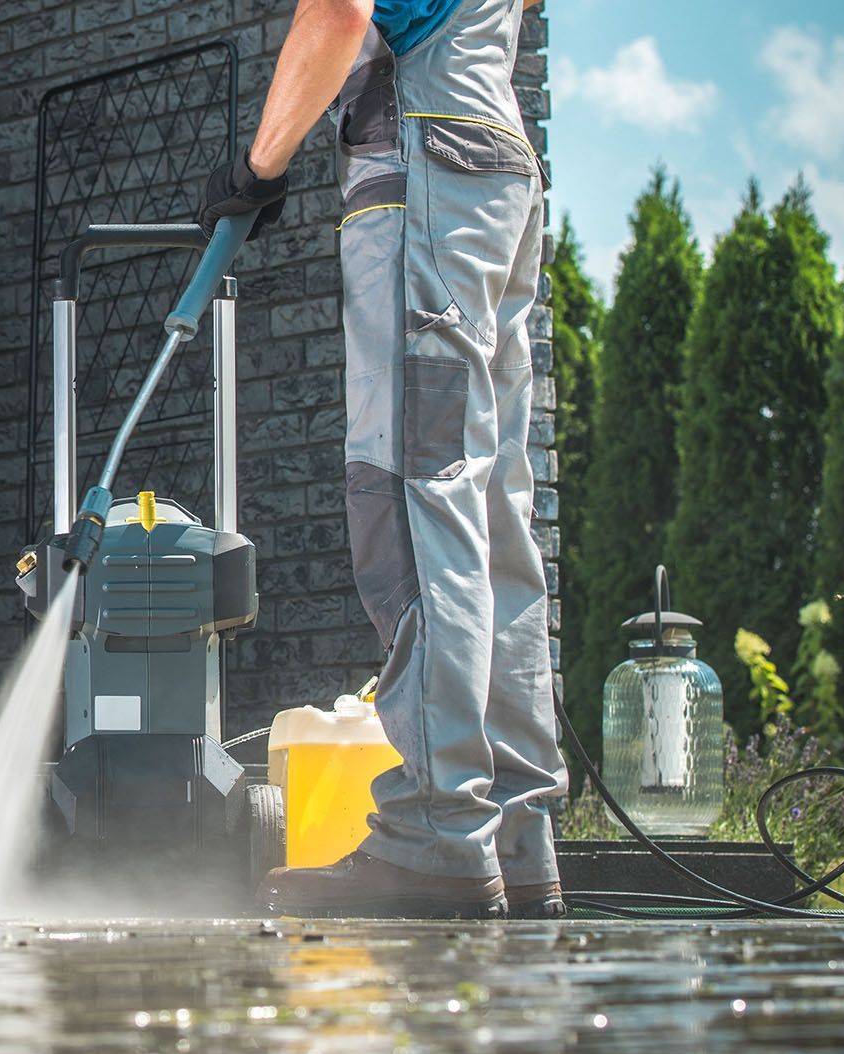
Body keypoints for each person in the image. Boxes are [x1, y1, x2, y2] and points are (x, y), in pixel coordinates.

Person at [197, 0, 566, 918]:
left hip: (424, 169)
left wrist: (258, 166)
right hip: (497, 167)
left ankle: (438, 834)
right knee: (488, 507)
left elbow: (335, 12)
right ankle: (515, 835)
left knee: (413, 487)